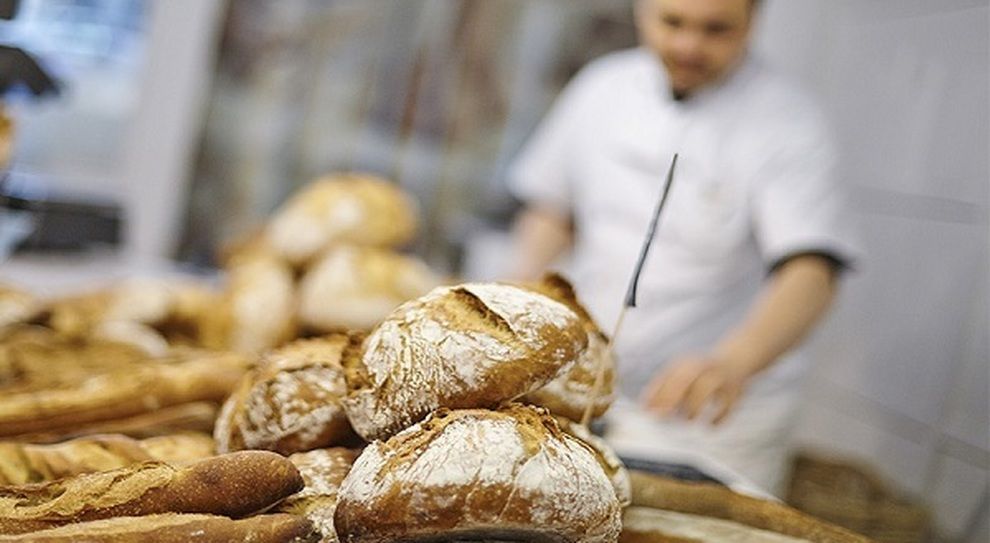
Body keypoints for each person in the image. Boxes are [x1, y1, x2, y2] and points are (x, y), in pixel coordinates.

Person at [507, 0, 859, 495]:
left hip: (709, 419)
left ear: (753, 21)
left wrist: (734, 360)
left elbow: (813, 269)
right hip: (582, 390)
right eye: (672, 23)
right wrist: (523, 282)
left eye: (717, 30)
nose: (688, 46)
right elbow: (553, 209)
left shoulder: (788, 122)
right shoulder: (602, 87)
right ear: (640, 11)